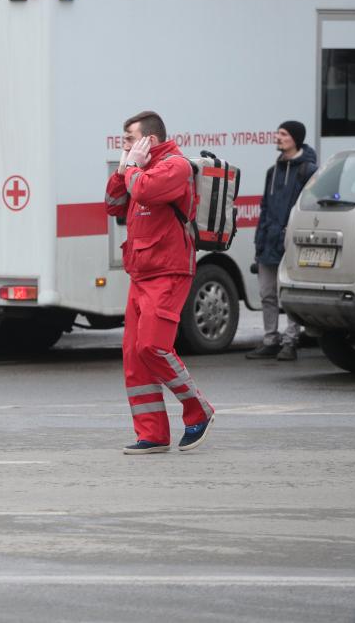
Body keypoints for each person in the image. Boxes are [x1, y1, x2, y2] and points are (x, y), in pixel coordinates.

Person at [104, 111, 216, 455]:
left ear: (148, 140)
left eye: (128, 139)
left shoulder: (175, 166)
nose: (123, 144)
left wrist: (134, 168)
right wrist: (124, 167)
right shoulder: (141, 167)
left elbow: (147, 191)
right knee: (134, 357)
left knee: (152, 347)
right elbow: (113, 205)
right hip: (141, 273)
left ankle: (198, 409)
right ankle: (152, 434)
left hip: (168, 272)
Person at [247, 120, 317, 362]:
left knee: (288, 294)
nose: (277, 137)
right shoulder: (273, 170)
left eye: (283, 134)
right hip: (269, 240)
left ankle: (291, 341)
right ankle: (270, 339)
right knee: (267, 292)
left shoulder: (307, 170)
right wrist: (260, 239)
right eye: (278, 133)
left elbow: (310, 205)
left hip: (290, 241)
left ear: (295, 139)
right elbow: (265, 207)